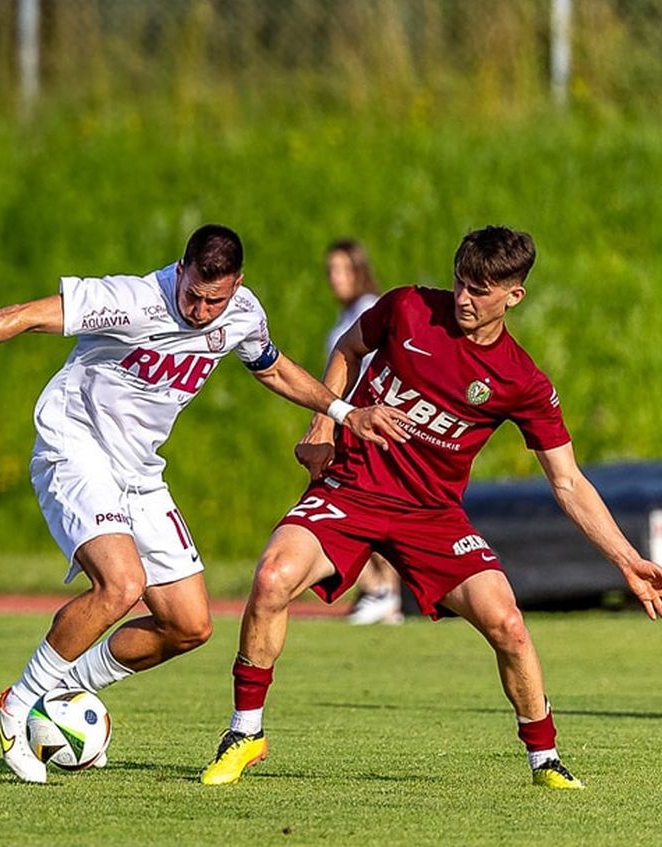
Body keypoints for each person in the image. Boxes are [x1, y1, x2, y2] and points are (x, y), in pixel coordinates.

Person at [0, 224, 407, 783]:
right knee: (120, 585)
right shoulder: (132, 300)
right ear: (181, 268)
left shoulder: (241, 313)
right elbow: (27, 314)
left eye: (217, 299)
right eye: (193, 294)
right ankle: (16, 708)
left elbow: (274, 368)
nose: (202, 309)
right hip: (76, 445)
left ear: (237, 285)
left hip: (140, 470)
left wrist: (340, 413)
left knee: (189, 626)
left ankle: (62, 685)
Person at [200, 226, 662, 790]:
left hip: (432, 515)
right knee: (272, 578)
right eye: (461, 283)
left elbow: (567, 482)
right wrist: (324, 420)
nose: (464, 298)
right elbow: (348, 349)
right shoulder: (409, 308)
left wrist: (625, 560)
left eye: (481, 290)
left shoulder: (521, 380)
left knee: (509, 624)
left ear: (513, 296)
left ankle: (546, 760)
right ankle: (245, 733)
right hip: (351, 486)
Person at [323, 239, 403, 625]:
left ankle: (381, 590)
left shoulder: (371, 308)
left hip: (368, 420)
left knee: (360, 503)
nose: (335, 279)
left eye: (343, 270)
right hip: (347, 419)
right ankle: (381, 592)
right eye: (331, 272)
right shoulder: (348, 313)